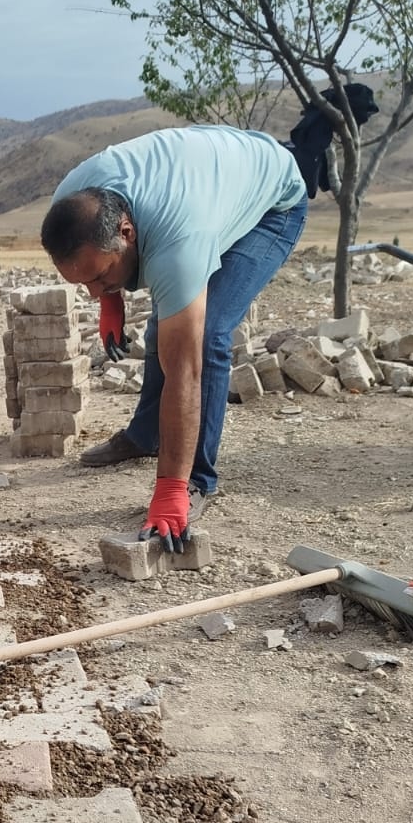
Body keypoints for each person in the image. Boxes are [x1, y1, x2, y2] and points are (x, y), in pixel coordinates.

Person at [40, 125, 308, 551]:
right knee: (168, 321)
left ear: (126, 233)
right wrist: (109, 297)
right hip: (209, 177)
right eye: (83, 282)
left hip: (273, 204)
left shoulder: (179, 239)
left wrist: (167, 491)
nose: (91, 290)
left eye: (100, 276)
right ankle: (146, 436)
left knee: (202, 336)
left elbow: (185, 372)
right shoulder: (71, 204)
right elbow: (93, 262)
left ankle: (193, 482)